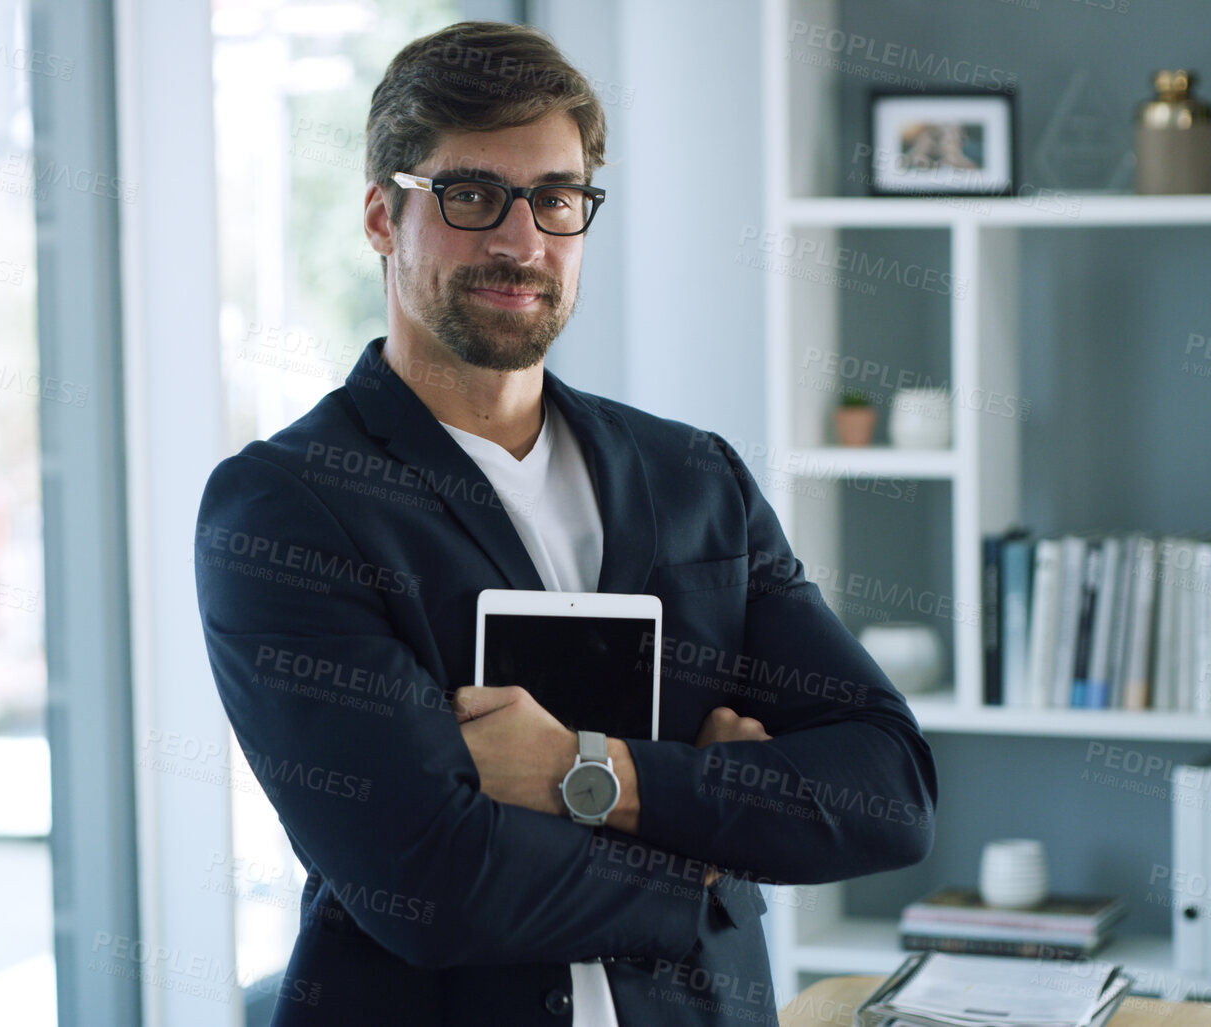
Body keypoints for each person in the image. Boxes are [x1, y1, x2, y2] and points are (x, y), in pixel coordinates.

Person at [194, 20, 937, 1026]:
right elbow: (435, 881)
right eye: (470, 196)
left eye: (556, 199)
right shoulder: (287, 506)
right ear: (380, 216)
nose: (520, 239)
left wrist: (588, 773)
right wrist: (710, 854)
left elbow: (889, 789)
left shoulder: (692, 478)